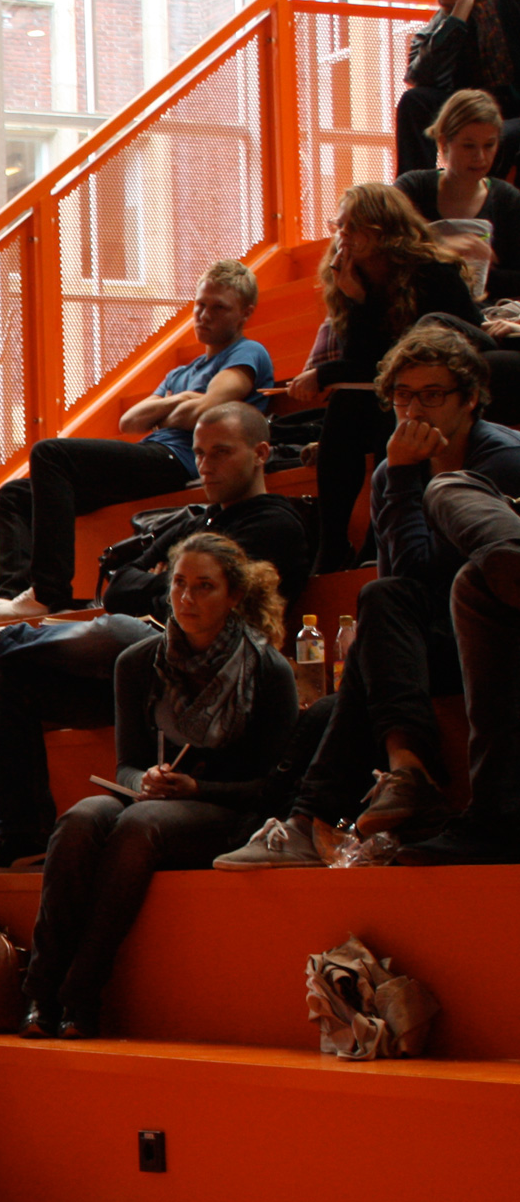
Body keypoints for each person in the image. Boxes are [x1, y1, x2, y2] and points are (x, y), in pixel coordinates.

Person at [0, 402, 310, 866]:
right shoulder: (196, 521)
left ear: (261, 454)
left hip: (218, 676)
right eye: (198, 453)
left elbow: (174, 610)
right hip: (146, 677)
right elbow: (118, 586)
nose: (205, 465)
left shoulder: (275, 523)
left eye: (221, 452)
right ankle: (20, 836)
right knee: (1, 676)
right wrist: (155, 587)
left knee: (117, 630)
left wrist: (159, 587)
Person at [221, 323, 520, 865]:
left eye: (433, 395)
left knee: (375, 630)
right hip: (430, 642)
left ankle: (323, 816)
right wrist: (398, 476)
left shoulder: (501, 460)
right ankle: (390, 782)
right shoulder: (391, 471)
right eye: (403, 396)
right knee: (366, 638)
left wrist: (405, 479)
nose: (415, 410)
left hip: (493, 631)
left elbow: (443, 580)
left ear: (471, 398)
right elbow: (405, 581)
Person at [24, 535, 295, 1037]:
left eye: (204, 587)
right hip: (153, 798)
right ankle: (40, 995)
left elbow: (273, 787)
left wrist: (196, 788)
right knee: (81, 818)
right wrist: (144, 778)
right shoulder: (137, 662)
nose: (187, 598)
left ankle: (81, 994)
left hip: (227, 809)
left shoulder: (267, 669)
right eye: (179, 584)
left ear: (234, 596)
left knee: (139, 824)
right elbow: (127, 765)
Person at [0, 261, 274, 618]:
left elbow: (207, 410)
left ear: (245, 312)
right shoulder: (181, 372)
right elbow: (130, 421)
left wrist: (170, 408)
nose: (204, 315)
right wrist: (181, 401)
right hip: (151, 455)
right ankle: (14, 600)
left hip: (180, 461)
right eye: (200, 304)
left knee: (50, 453)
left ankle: (48, 593)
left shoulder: (247, 352)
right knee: (13, 496)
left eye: (219, 307)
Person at [285, 182, 482, 571]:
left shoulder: (433, 273)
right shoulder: (349, 278)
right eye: (339, 226)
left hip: (439, 388)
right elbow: (364, 362)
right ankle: (332, 542)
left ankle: (379, 542)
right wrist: (357, 299)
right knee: (347, 406)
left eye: (353, 226)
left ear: (383, 228)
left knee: (387, 408)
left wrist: (325, 372)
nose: (343, 236)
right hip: (387, 390)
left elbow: (409, 357)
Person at [394, 465, 520, 860]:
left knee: (451, 487)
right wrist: (399, 475)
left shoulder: (500, 451)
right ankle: (495, 817)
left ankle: (494, 819)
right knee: (452, 487)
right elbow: (409, 572)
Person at [399, 91, 520, 303]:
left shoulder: (508, 200)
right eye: (468, 146)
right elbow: (384, 251)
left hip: (485, 315)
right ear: (444, 143)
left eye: (489, 145)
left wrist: (482, 269)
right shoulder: (412, 188)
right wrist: (440, 247)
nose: (480, 157)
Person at [397, 0, 520, 177]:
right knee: (415, 101)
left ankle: (486, 193)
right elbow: (420, 76)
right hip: (472, 101)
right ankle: (416, 188)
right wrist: (459, 8)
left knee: (498, 134)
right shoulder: (450, 14)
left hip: (514, 107)